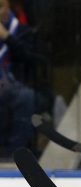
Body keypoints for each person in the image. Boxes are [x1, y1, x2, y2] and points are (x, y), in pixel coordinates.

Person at [0, 0, 38, 159]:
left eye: (0, 7)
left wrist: (7, 37)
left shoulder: (22, 31)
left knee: (25, 97)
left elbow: (31, 59)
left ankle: (15, 156)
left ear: (8, 6)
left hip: (15, 87)